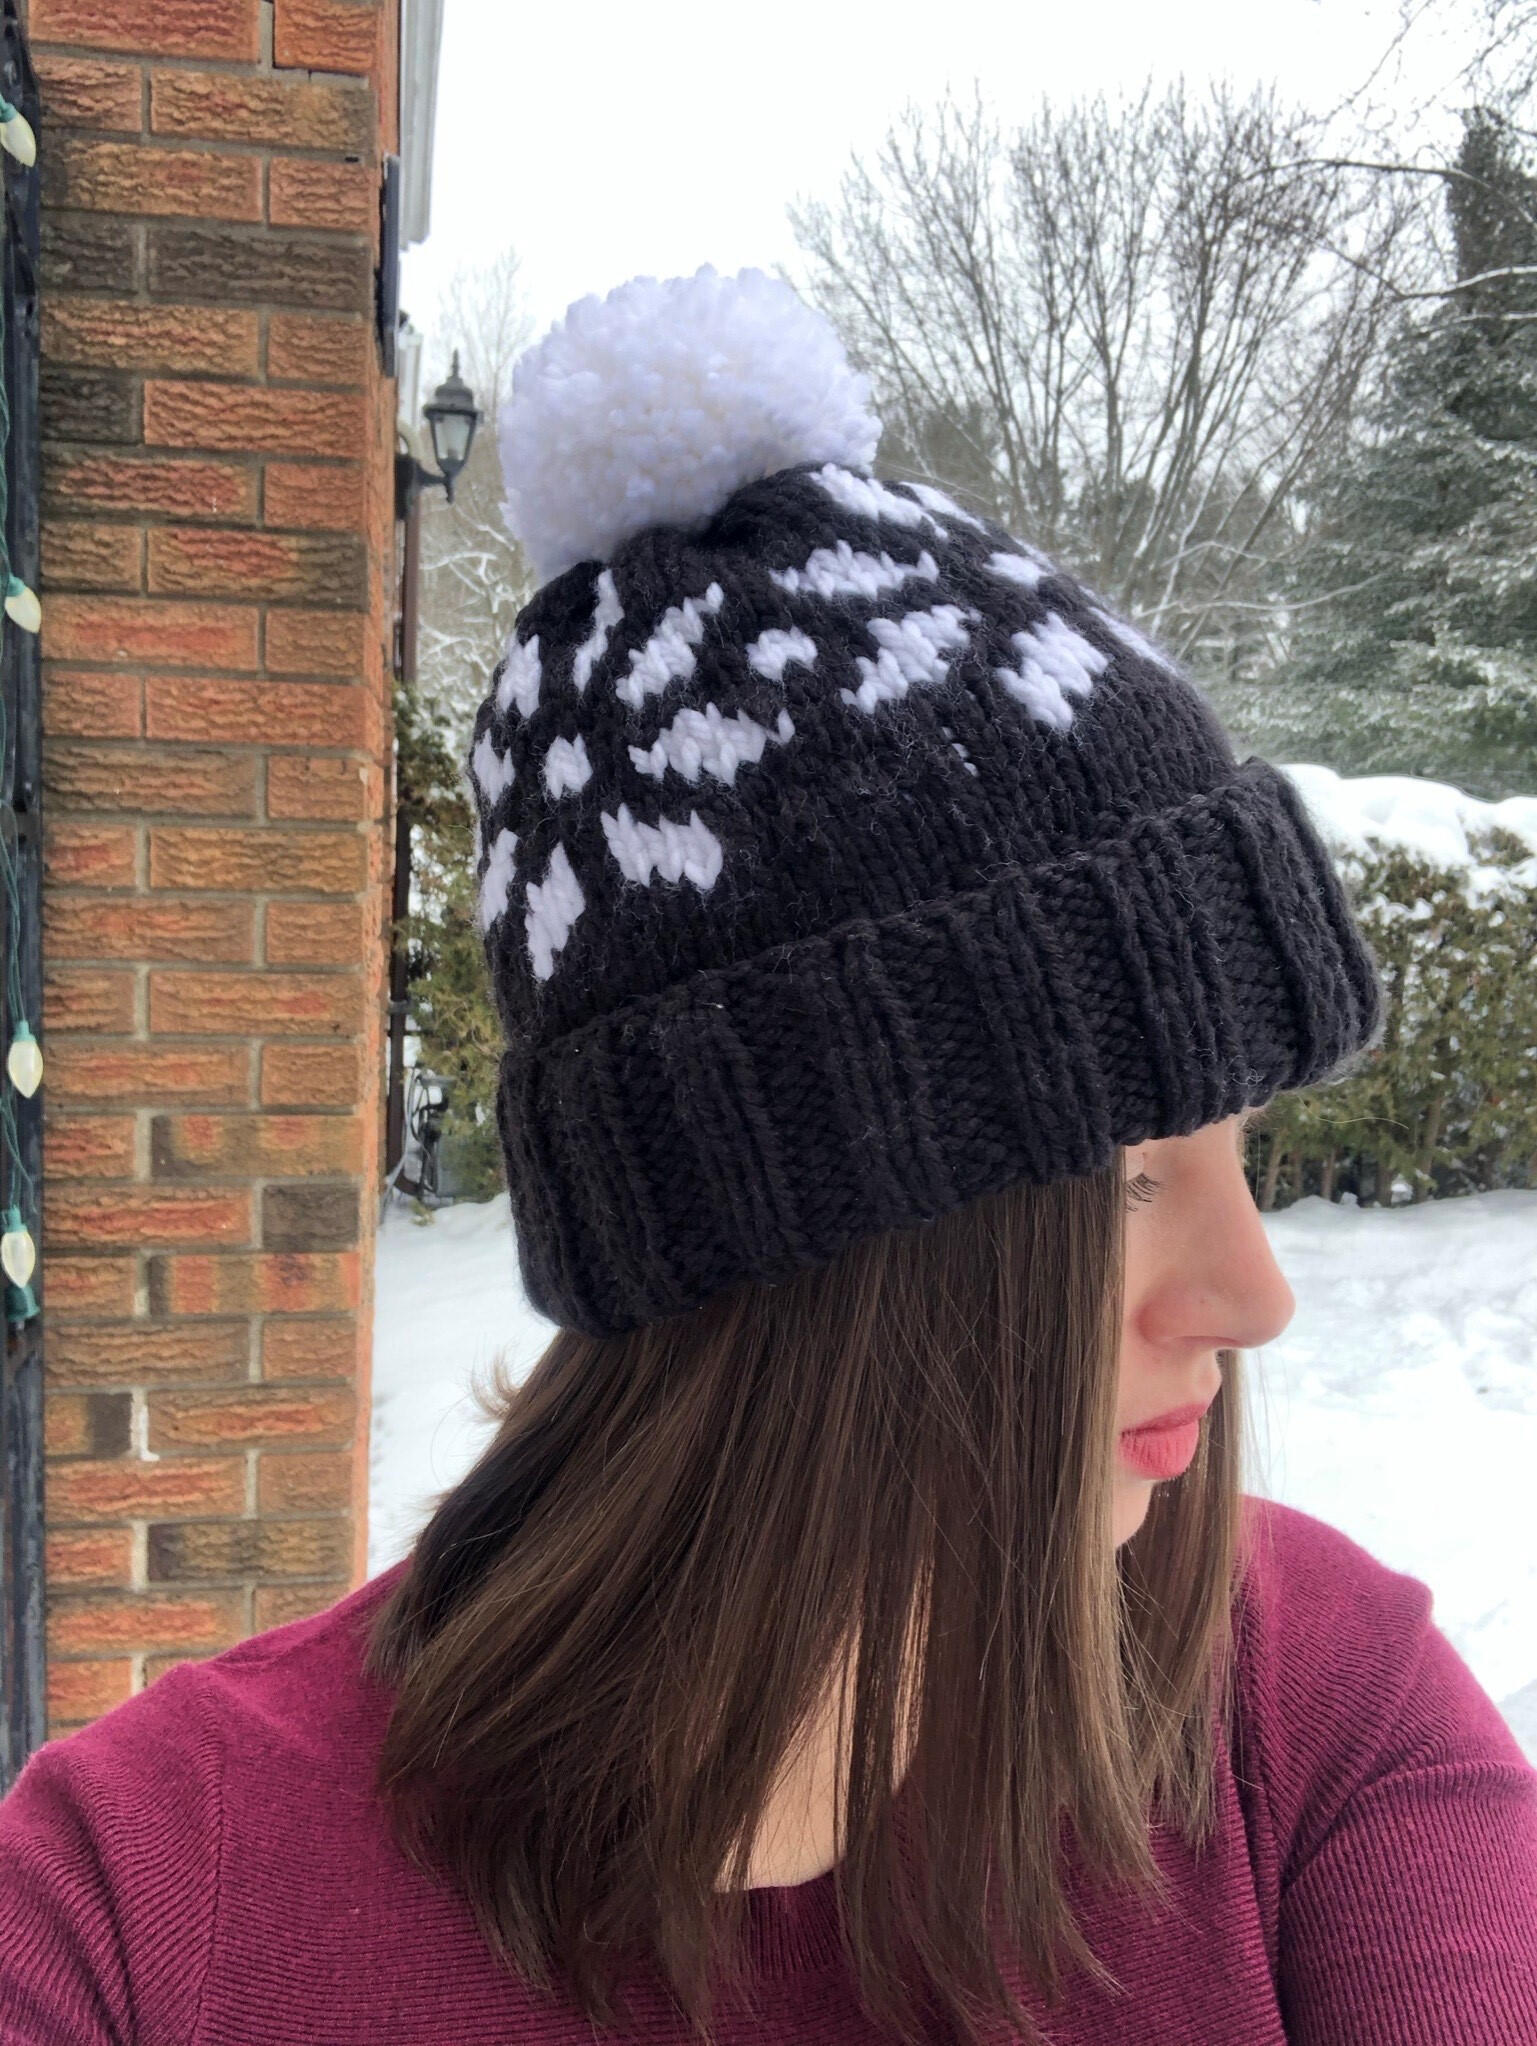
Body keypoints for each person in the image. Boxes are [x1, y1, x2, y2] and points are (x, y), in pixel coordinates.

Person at [2, 266, 1534, 2046]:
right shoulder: (144, 1902)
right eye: (1125, 1169)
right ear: (779, 1239)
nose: (1252, 1292)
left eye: (1238, 1140)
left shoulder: (1322, 1724)